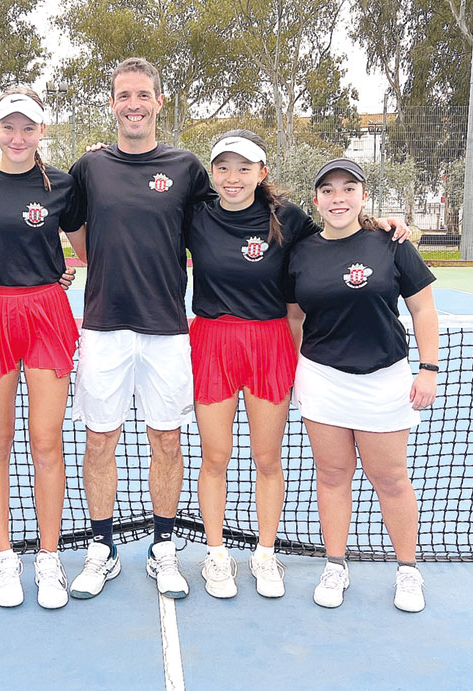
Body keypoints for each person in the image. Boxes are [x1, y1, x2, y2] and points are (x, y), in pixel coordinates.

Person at [189, 132, 411, 599]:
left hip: (270, 341)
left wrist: (384, 226)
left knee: (268, 458)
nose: (233, 177)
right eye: (224, 167)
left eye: (244, 167)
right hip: (212, 340)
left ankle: (265, 556)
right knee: (216, 456)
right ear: (213, 172)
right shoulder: (196, 213)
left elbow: (340, 234)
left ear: (262, 172)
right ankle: (216, 555)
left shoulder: (287, 218)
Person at [63, 58, 213, 600]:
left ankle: (163, 548)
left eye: (143, 95)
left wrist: (367, 224)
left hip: (168, 329)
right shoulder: (90, 168)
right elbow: (72, 227)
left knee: (166, 439)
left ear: (158, 102)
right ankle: (101, 548)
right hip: (103, 326)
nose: (134, 104)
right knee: (100, 439)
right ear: (111, 104)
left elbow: (238, 213)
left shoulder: (188, 167)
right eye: (124, 94)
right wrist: (97, 262)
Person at [0, 88, 86, 609]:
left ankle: (49, 558)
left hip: (47, 313)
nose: (18, 137)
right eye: (9, 126)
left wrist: (62, 274)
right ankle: (4, 558)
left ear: (41, 132)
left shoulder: (62, 185)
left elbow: (83, 245)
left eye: (28, 128)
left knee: (47, 443)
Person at [285, 158, 438, 612]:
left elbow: (424, 310)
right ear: (316, 200)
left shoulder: (391, 243)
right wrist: (297, 370)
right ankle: (336, 565)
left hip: (384, 380)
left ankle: (408, 571)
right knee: (332, 476)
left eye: (348, 189)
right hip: (322, 378)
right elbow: (295, 315)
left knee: (390, 479)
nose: (338, 198)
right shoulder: (301, 250)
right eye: (328, 190)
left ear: (362, 196)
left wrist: (427, 368)